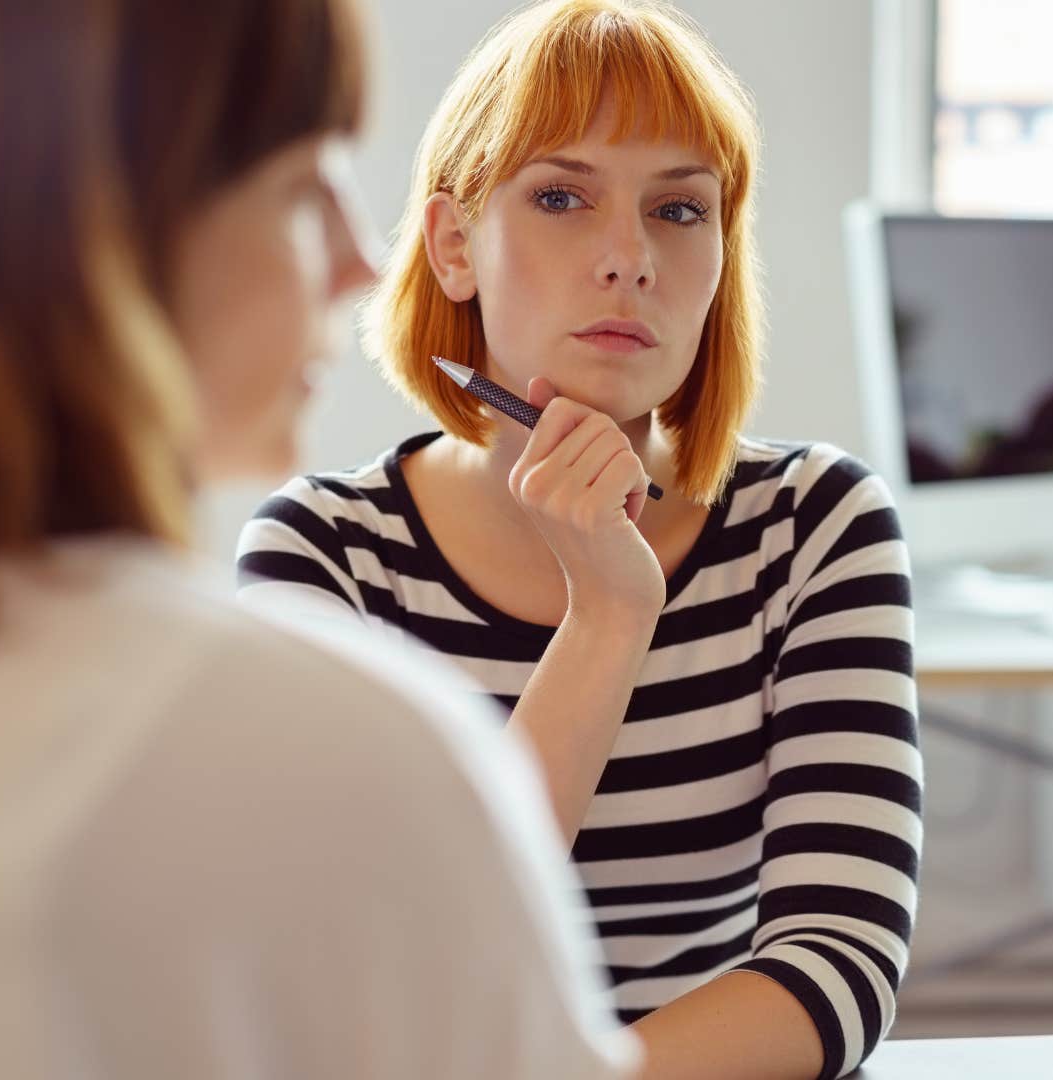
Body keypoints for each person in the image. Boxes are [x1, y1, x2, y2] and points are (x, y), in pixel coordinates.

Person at [0, 2, 640, 1078]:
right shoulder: (323, 754)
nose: (358, 261)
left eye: (683, 211)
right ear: (81, 227)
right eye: (303, 184)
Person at [236, 2, 922, 1076]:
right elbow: (391, 977)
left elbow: (838, 968)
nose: (629, 258)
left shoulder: (814, 524)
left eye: (681, 211)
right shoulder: (325, 558)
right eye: (561, 197)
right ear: (455, 245)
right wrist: (606, 620)